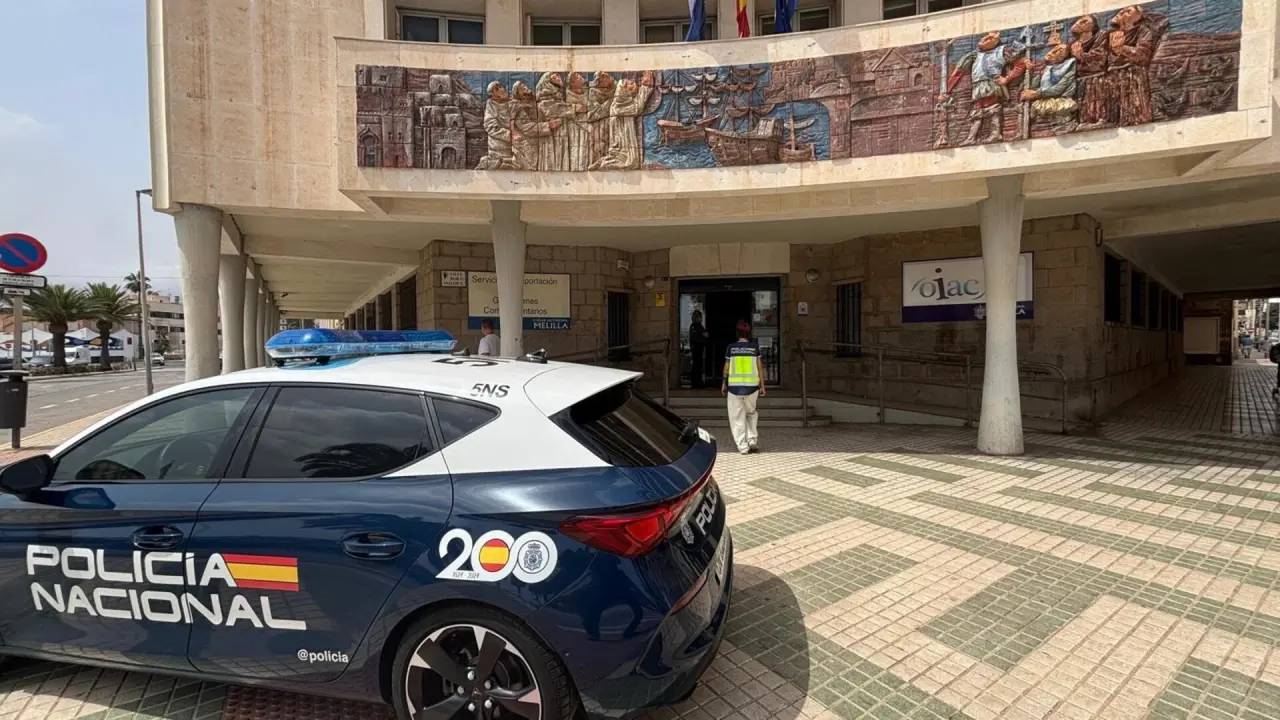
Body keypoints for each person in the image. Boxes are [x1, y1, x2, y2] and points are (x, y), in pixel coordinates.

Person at [721, 321, 765, 455]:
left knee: (737, 418)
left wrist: (724, 383)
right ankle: (752, 439)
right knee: (751, 413)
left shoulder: (731, 348)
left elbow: (726, 367)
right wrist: (762, 386)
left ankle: (743, 446)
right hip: (752, 388)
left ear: (737, 333)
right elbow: (760, 368)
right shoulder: (754, 348)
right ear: (749, 333)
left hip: (734, 389)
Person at [689, 310, 709, 389]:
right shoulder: (695, 326)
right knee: (697, 366)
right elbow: (697, 337)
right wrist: (704, 336)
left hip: (698, 348)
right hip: (697, 348)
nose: (701, 319)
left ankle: (696, 382)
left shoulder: (696, 326)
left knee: (697, 365)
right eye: (700, 317)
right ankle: (696, 382)